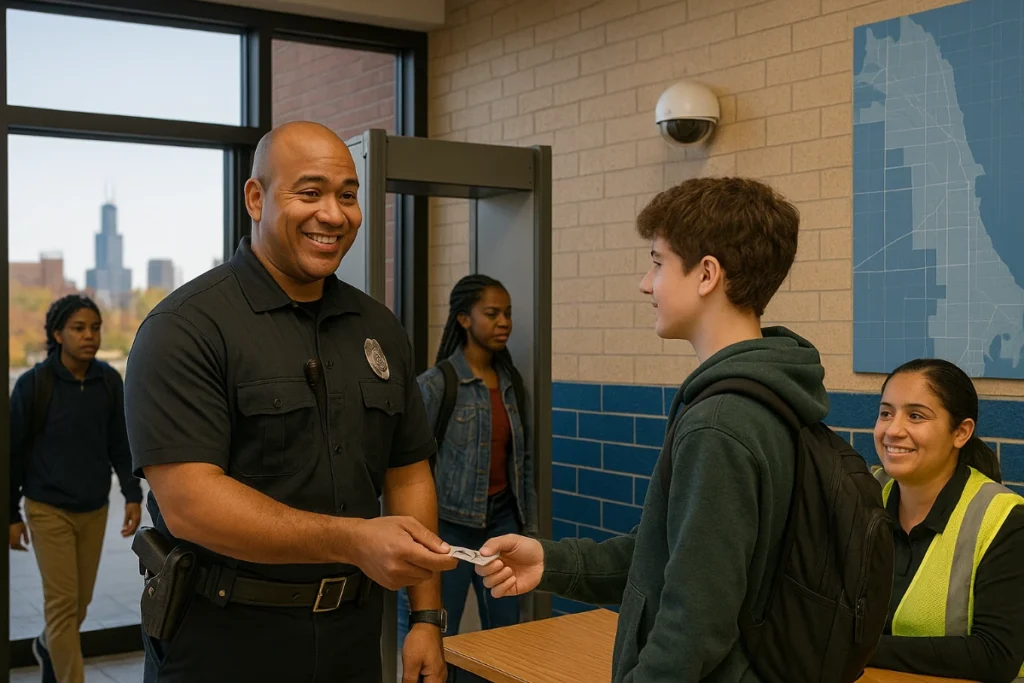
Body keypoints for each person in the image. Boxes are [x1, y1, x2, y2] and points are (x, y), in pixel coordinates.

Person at [123, 121, 457, 683]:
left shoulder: (378, 327)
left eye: (347, 196)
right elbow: (190, 503)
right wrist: (353, 539)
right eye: (309, 193)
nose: (334, 214)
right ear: (255, 198)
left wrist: (426, 615)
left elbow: (408, 474)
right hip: (226, 641)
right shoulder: (186, 328)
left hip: (352, 636)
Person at [476, 177, 829, 682]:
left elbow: (694, 623)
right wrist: (547, 564)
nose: (646, 282)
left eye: (658, 263)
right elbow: (666, 555)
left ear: (707, 274)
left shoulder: (722, 422)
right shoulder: (771, 390)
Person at [396, 274, 537, 647]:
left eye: (507, 313)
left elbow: (521, 461)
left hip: (502, 523)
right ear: (464, 319)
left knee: (508, 636)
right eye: (492, 313)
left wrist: (528, 527)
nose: (503, 322)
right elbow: (407, 467)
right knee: (436, 633)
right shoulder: (437, 384)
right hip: (447, 529)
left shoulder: (510, 383)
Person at [8, 293, 143, 683]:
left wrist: (132, 495)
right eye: (79, 328)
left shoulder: (107, 381)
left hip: (94, 508)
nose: (90, 336)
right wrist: (10, 515)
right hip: (47, 509)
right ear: (57, 333)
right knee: (64, 605)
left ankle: (47, 645)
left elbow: (120, 442)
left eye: (95, 328)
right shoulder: (34, 385)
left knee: (78, 605)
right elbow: (12, 455)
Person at [868, 358, 1024, 682]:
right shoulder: (864, 497)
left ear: (961, 432)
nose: (893, 430)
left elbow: (995, 656)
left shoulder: (1005, 519)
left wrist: (858, 648)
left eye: (915, 415)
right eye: (886, 413)